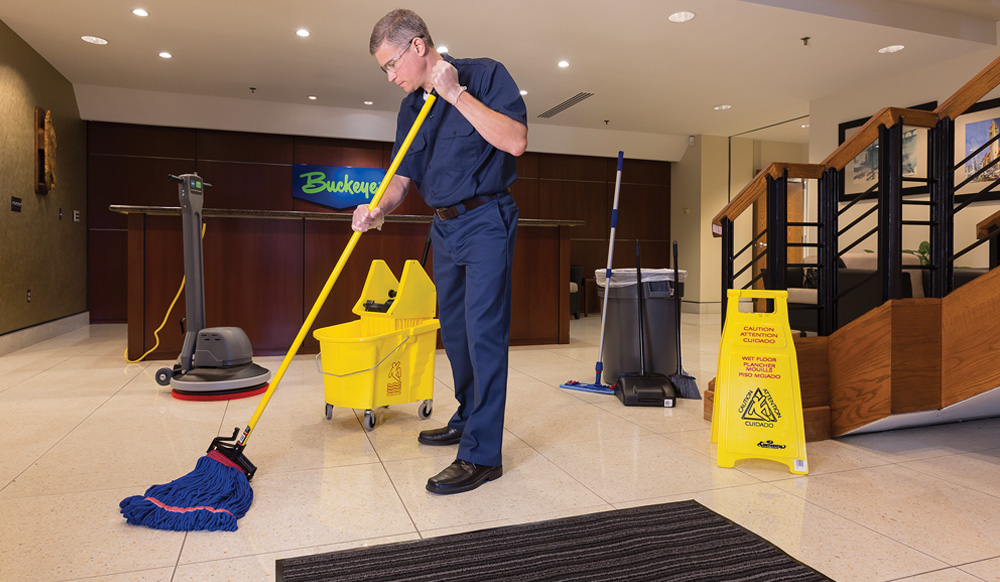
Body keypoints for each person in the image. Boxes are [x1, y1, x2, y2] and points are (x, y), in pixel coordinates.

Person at [354, 9, 527, 495]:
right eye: (384, 70)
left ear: (417, 47)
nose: (391, 78)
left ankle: (481, 454)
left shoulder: (484, 75)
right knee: (454, 332)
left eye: (392, 65)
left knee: (484, 332)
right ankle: (468, 415)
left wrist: (455, 94)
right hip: (445, 228)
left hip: (487, 219)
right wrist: (377, 208)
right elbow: (401, 179)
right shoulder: (411, 108)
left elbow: (515, 141)